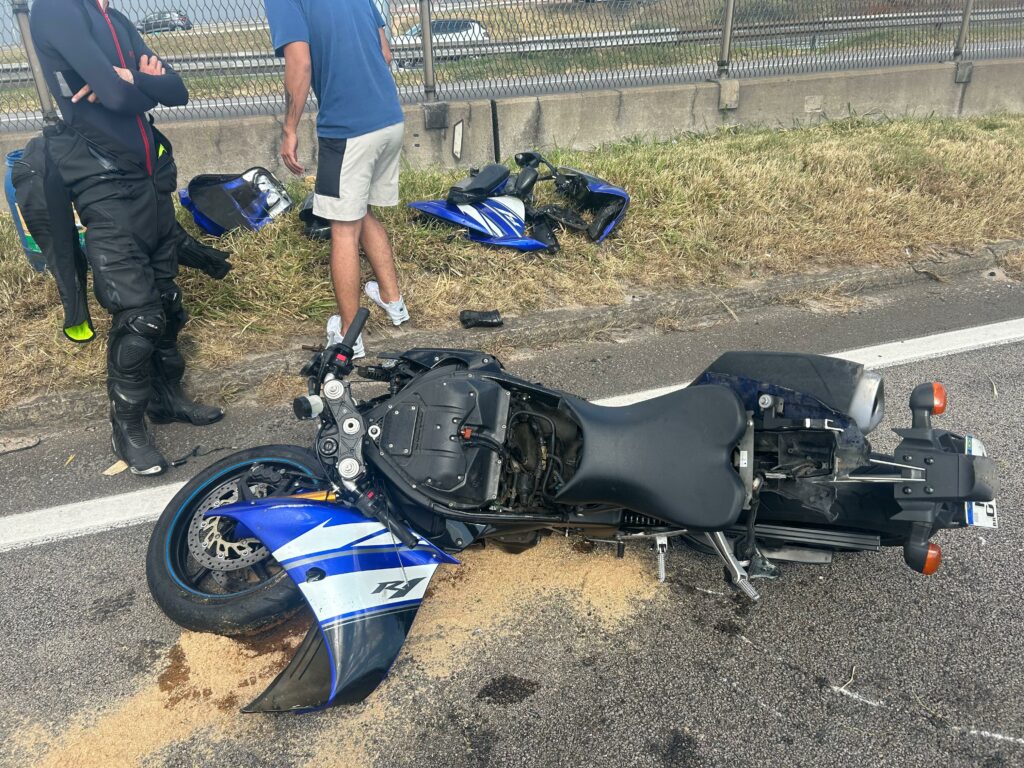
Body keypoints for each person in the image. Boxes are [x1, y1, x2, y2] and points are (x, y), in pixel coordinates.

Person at [30, 0, 223, 476]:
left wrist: (127, 79)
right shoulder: (56, 10)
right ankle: (128, 429)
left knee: (167, 303)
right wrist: (132, 84)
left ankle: (167, 399)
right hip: (104, 186)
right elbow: (118, 100)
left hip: (150, 183)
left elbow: (176, 90)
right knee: (139, 316)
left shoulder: (115, 19)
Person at [265, 0, 410, 358]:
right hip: (389, 119)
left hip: (347, 131)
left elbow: (300, 63)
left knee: (342, 228)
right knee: (360, 209)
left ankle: (348, 335)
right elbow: (385, 53)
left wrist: (289, 129)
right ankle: (392, 300)